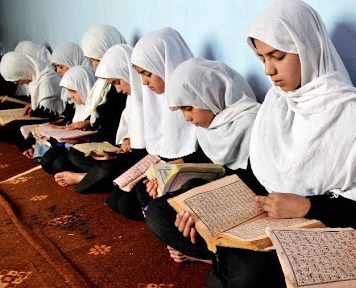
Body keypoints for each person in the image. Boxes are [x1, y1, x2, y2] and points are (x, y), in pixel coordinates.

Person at [169, 1, 356, 287]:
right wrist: (201, 204)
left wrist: (307, 206)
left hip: (323, 226)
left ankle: (218, 262)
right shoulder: (276, 103)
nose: (268, 70)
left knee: (246, 272)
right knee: (178, 219)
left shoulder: (353, 114)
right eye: (262, 58)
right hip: (273, 218)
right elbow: (260, 176)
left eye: (278, 56)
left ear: (308, 48)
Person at [144, 58, 263, 263]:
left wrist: (201, 201)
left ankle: (208, 258)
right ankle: (217, 256)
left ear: (210, 95)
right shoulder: (210, 127)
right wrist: (175, 171)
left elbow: (258, 186)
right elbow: (207, 161)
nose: (186, 118)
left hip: (253, 205)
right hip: (218, 197)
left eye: (188, 108)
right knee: (157, 211)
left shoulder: (254, 122)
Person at [106, 27, 200, 220]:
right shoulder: (154, 99)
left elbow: (203, 151)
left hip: (191, 168)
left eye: (147, 74)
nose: (144, 82)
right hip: (165, 165)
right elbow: (158, 147)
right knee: (122, 196)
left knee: (131, 203)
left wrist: (172, 166)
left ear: (164, 64)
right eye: (140, 75)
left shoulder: (196, 94)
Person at [54, 44, 147, 194]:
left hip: (137, 159)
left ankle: (86, 177)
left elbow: (146, 148)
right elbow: (122, 130)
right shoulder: (128, 97)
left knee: (120, 195)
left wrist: (117, 151)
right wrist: (125, 140)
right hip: (120, 152)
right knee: (74, 155)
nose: (118, 89)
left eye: (96, 59)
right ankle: (98, 175)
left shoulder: (141, 98)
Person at [0, 51, 64, 147]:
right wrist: (32, 106)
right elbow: (37, 102)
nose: (16, 83)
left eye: (17, 80)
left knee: (11, 128)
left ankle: (26, 147)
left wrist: (32, 112)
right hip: (43, 114)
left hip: (55, 120)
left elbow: (48, 114)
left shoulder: (46, 82)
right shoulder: (36, 76)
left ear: (23, 71)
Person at [40, 65, 95, 174]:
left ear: (85, 86)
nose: (70, 96)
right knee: (46, 161)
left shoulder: (97, 109)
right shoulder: (78, 105)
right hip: (69, 146)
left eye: (73, 91)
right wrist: (58, 129)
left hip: (85, 150)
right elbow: (70, 124)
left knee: (58, 166)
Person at [50, 42, 91, 125]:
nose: (57, 71)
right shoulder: (70, 86)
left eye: (61, 66)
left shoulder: (85, 80)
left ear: (72, 61)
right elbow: (68, 114)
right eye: (56, 67)